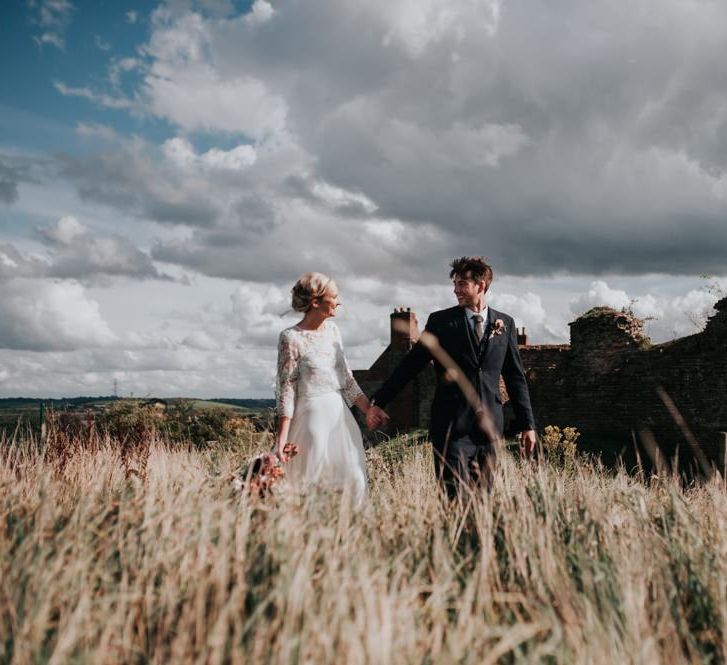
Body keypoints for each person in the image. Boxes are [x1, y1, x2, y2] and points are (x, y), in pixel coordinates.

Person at [366, 256, 537, 497]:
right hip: (451, 427)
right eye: (454, 284)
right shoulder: (441, 322)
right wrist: (379, 401)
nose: (455, 290)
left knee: (483, 499)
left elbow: (515, 377)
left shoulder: (505, 323)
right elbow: (411, 365)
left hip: (490, 428)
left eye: (462, 284)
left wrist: (527, 424)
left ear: (481, 285)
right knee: (455, 496)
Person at [275, 272, 371, 505]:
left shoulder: (334, 331)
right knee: (313, 484)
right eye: (335, 296)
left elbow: (346, 379)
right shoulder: (290, 338)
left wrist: (368, 409)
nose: (339, 302)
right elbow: (286, 389)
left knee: (353, 481)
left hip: (340, 419)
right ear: (316, 302)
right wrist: (281, 439)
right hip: (310, 421)